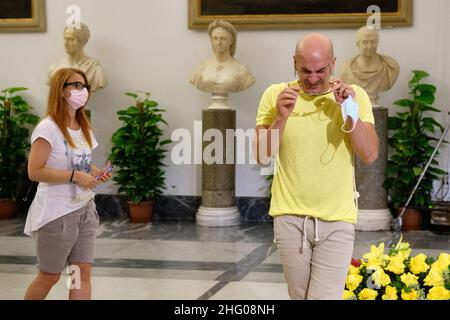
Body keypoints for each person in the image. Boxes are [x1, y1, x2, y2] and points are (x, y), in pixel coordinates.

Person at [255, 34, 379, 300]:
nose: (312, 78)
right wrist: (280, 118)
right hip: (289, 218)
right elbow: (261, 156)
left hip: (337, 219)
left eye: (321, 70)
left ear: (333, 63)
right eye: (305, 71)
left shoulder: (355, 96)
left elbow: (369, 154)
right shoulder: (275, 95)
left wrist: (349, 110)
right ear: (294, 64)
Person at [24, 68, 112, 300]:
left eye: (85, 86)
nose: (82, 91)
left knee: (80, 272)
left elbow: (83, 163)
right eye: (76, 85)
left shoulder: (83, 125)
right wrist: (74, 176)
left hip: (84, 209)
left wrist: (97, 173)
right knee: (49, 276)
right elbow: (34, 171)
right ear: (61, 90)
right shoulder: (48, 128)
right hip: (57, 214)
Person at [189, 20, 255, 95]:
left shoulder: (241, 70)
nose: (218, 43)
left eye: (223, 39)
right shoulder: (201, 69)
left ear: (231, 41)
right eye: (215, 38)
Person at [341, 26, 400, 106]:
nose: (370, 46)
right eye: (365, 42)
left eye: (373, 41)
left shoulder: (390, 67)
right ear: (358, 44)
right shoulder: (346, 68)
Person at [48, 23, 108, 93]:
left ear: (82, 42)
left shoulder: (95, 69)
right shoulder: (55, 68)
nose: (65, 43)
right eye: (65, 38)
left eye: (71, 39)